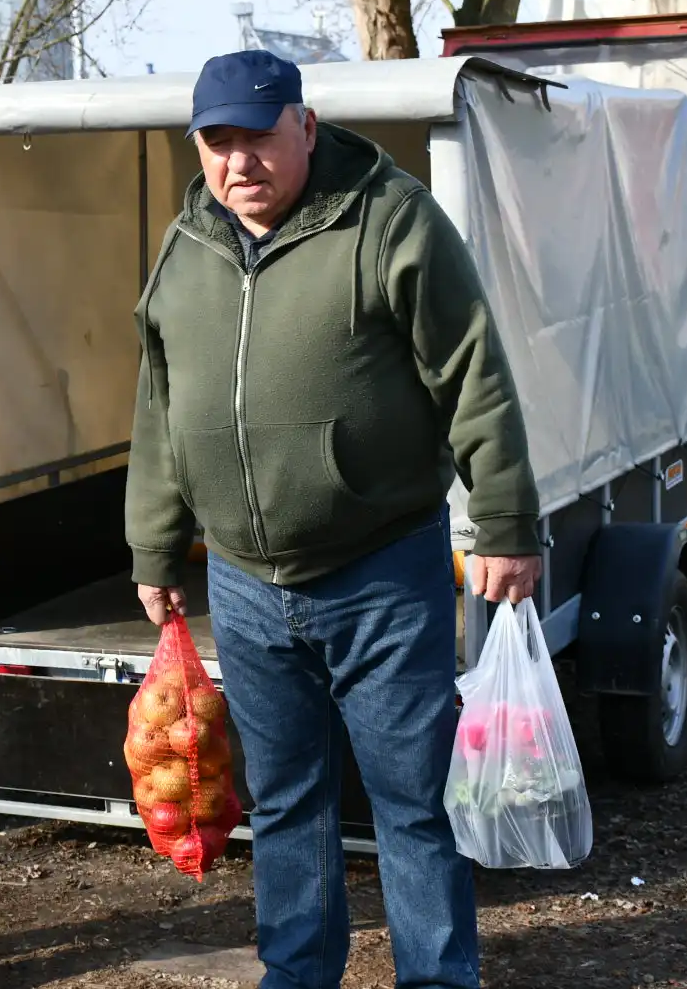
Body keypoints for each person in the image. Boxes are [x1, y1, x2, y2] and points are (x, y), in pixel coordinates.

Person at [125, 49, 543, 989]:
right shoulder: (185, 247)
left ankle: (437, 976)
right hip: (242, 578)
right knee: (284, 802)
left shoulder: (390, 218)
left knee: (412, 802)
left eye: (259, 137)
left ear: (305, 127)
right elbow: (159, 405)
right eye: (217, 142)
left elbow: (473, 373)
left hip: (381, 570)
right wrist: (154, 543)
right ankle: (298, 973)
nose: (240, 163)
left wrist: (509, 522)